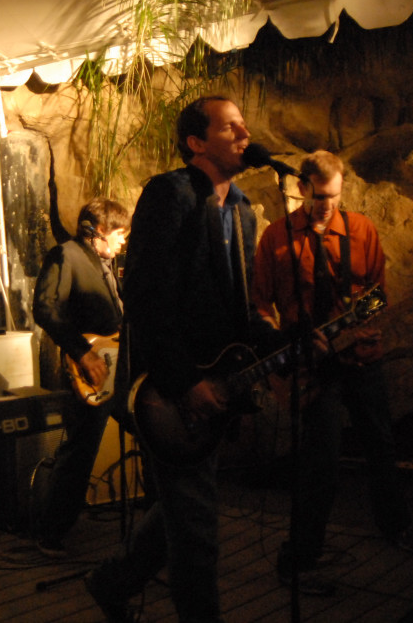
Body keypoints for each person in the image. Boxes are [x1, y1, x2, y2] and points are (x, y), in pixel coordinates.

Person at [83, 96, 277, 623]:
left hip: (212, 384)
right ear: (196, 143)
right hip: (168, 389)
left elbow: (238, 309)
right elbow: (146, 299)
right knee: (196, 527)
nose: (244, 134)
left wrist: (282, 340)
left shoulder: (241, 210)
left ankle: (111, 582)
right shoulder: (170, 194)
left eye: (243, 125)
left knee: (184, 507)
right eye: (230, 127)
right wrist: (186, 380)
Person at [252, 149, 413, 597]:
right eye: (319, 196)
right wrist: (286, 343)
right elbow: (259, 305)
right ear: (301, 187)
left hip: (361, 355)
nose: (327, 205)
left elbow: (379, 293)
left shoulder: (361, 229)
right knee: (320, 462)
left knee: (381, 444)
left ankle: (395, 526)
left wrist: (362, 319)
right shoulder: (276, 237)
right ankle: (301, 557)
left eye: (334, 196)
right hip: (311, 364)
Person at [31, 197, 130, 558]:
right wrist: (82, 353)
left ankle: (158, 520)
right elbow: (44, 307)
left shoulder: (107, 265)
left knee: (154, 431)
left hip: (118, 367)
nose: (123, 241)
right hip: (91, 368)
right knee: (80, 452)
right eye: (120, 234)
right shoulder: (66, 255)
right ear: (100, 230)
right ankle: (51, 532)